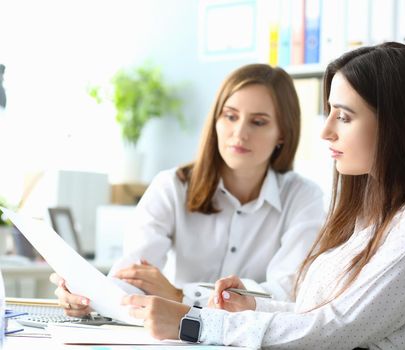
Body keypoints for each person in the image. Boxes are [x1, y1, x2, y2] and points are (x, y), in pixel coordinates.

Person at [121, 42, 405, 349]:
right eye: (329, 113)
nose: (326, 131)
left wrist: (193, 322)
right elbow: (314, 315)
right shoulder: (370, 219)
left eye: (343, 117)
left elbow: (339, 327)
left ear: (396, 125)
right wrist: (251, 310)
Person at [50, 63, 325, 315]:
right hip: (176, 334)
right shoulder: (171, 186)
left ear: (283, 134)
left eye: (258, 122)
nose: (239, 133)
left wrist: (182, 295)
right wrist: (90, 298)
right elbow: (133, 276)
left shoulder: (304, 198)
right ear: (216, 120)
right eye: (230, 116)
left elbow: (288, 292)